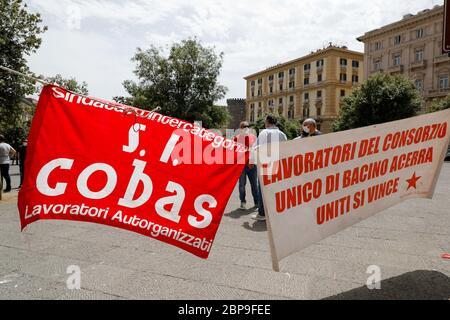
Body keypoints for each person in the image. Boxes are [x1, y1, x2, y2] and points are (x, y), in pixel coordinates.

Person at [252, 115, 287, 221]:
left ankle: (262, 213)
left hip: (265, 164)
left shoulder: (264, 132)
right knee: (275, 189)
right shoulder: (282, 134)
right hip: (278, 164)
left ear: (267, 122)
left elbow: (256, 147)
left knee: (262, 189)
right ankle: (275, 212)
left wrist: (252, 160)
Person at [234, 122, 258, 210]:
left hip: (252, 165)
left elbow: (255, 150)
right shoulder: (236, 138)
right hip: (241, 166)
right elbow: (235, 153)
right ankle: (243, 202)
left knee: (254, 185)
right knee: (242, 185)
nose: (246, 128)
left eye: (248, 126)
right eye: (244, 126)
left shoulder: (253, 137)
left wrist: (252, 161)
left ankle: (257, 202)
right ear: (240, 128)